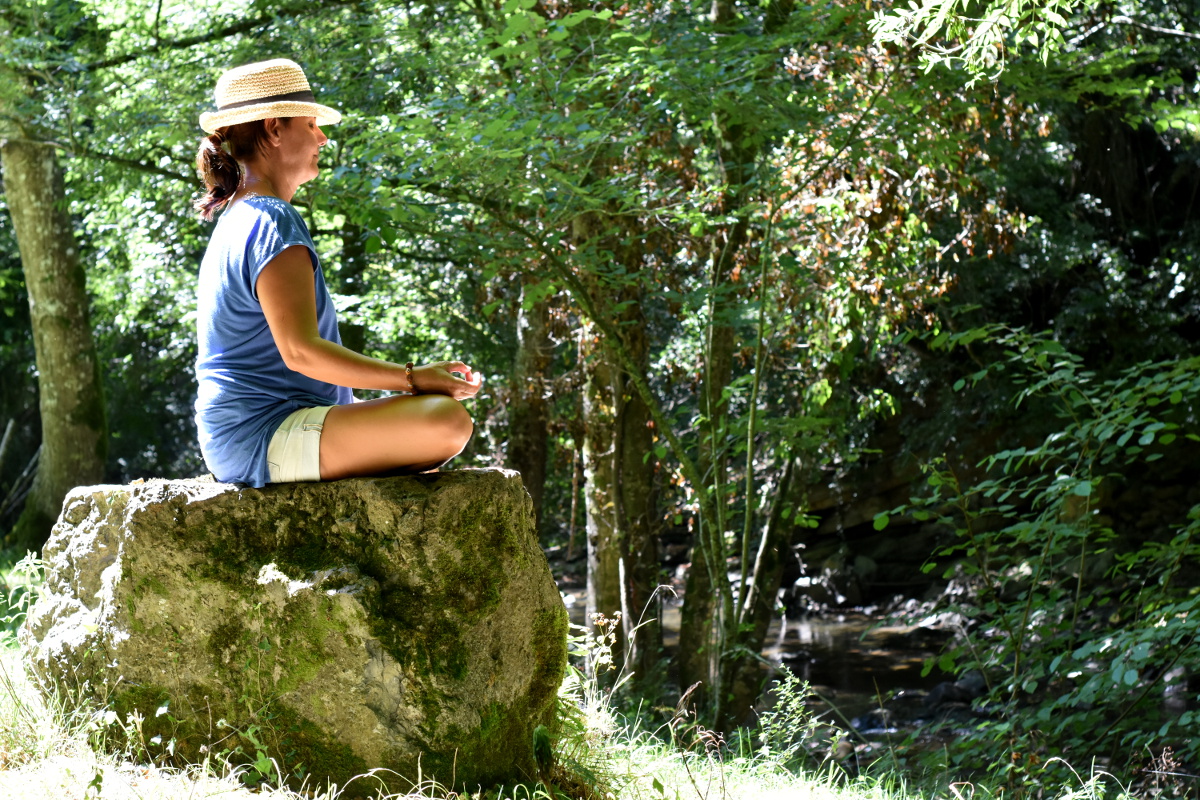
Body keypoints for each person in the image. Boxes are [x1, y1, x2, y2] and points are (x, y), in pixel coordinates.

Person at [193, 58, 481, 487]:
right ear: (274, 129)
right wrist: (411, 378)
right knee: (446, 421)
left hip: (253, 435)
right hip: (262, 435)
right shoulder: (271, 220)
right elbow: (301, 353)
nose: (322, 138)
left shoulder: (240, 216)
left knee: (433, 424)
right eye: (310, 125)